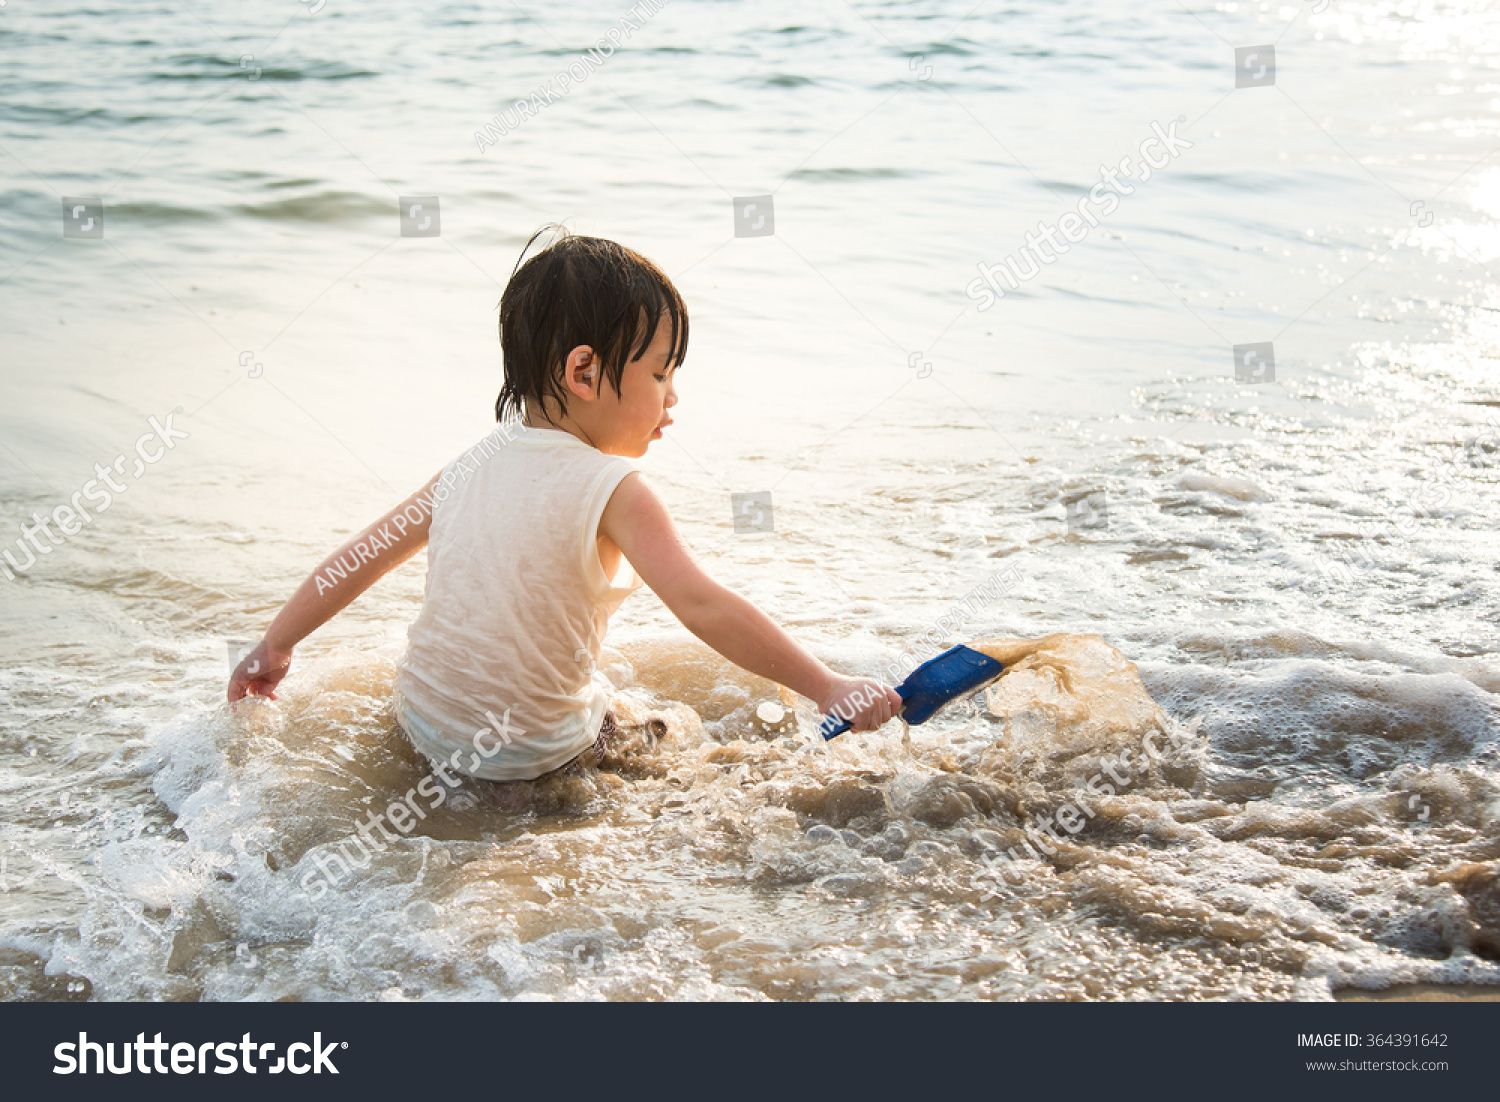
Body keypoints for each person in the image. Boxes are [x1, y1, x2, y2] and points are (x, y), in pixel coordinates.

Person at [227, 228, 901, 783]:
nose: (673, 397)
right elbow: (702, 604)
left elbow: (363, 557)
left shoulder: (467, 466)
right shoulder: (617, 491)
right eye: (661, 372)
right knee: (670, 740)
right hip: (531, 761)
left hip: (424, 728)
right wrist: (825, 685)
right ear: (584, 373)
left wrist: (275, 644)